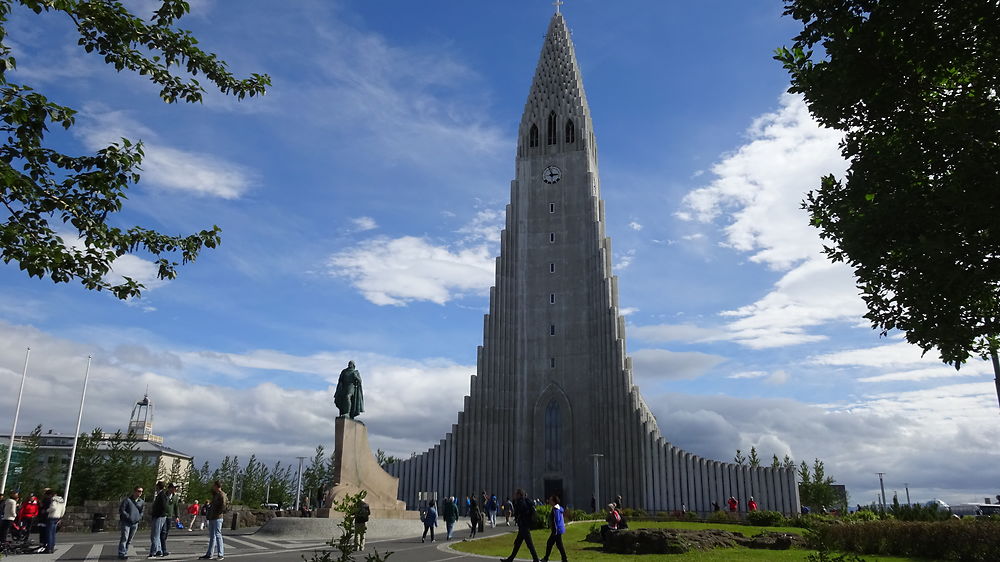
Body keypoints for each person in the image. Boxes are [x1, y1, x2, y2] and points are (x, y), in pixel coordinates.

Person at [501, 488, 539, 562]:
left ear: (519, 495)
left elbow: (522, 511)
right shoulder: (522, 501)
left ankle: (536, 559)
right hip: (523, 526)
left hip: (524, 526)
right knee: (517, 544)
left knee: (529, 544)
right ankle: (510, 559)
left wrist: (519, 515)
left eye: (516, 494)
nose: (515, 495)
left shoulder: (521, 502)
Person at [199, 480, 228, 560]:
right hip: (212, 517)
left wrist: (218, 512)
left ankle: (220, 554)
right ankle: (209, 553)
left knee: (218, 535)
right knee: (212, 536)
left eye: (214, 485)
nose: (213, 486)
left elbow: (224, 506)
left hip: (218, 517)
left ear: (216, 486)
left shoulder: (222, 495)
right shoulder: (216, 494)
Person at [117, 486, 144, 560]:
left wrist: (139, 517)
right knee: (124, 537)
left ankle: (125, 551)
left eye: (141, 491)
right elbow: (122, 510)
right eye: (138, 491)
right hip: (126, 522)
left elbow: (142, 511)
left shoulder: (141, 502)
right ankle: (121, 553)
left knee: (129, 539)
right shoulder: (127, 500)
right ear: (134, 491)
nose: (140, 493)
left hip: (135, 523)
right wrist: (128, 516)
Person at [540, 495, 568, 562]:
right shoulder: (559, 508)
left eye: (550, 500)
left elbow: (556, 520)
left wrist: (554, 530)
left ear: (554, 501)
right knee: (558, 545)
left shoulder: (555, 509)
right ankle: (564, 559)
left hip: (556, 530)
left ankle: (546, 558)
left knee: (551, 543)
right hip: (559, 529)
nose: (549, 501)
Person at [160, 483, 181, 555]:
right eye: (174, 488)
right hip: (163, 516)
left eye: (175, 488)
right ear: (169, 488)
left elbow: (176, 507)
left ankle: (161, 547)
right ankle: (163, 549)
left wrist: (177, 516)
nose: (175, 489)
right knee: (163, 532)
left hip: (169, 516)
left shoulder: (175, 497)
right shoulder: (164, 495)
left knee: (166, 533)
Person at [42, 488, 64, 554]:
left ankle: (49, 548)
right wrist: (61, 515)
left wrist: (46, 510)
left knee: (49, 533)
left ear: (50, 495)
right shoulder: (61, 499)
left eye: (47, 496)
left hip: (52, 516)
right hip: (58, 516)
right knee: (53, 533)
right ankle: (52, 547)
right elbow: (63, 508)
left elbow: (53, 507)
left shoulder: (53, 499)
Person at [148, 481, 167, 557]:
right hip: (160, 516)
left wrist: (156, 513)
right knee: (157, 534)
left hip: (159, 516)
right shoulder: (161, 495)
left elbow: (163, 506)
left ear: (158, 487)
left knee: (154, 535)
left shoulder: (161, 495)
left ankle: (153, 551)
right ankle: (159, 550)